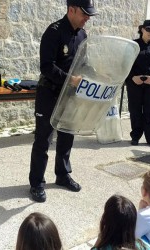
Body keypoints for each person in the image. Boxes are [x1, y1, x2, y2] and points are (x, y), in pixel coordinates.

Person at [29, 0, 98, 202]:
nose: (87, 18)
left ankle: (62, 174)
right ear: (71, 10)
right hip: (49, 92)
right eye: (85, 14)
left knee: (67, 135)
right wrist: (71, 80)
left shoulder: (82, 35)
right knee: (43, 139)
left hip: (70, 94)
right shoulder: (54, 32)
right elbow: (46, 67)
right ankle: (36, 183)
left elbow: (83, 64)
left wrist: (96, 76)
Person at [125, 20, 150, 148]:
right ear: (142, 29)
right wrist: (132, 77)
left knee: (149, 110)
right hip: (134, 82)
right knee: (135, 109)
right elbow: (125, 63)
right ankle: (135, 135)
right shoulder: (133, 45)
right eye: (148, 29)